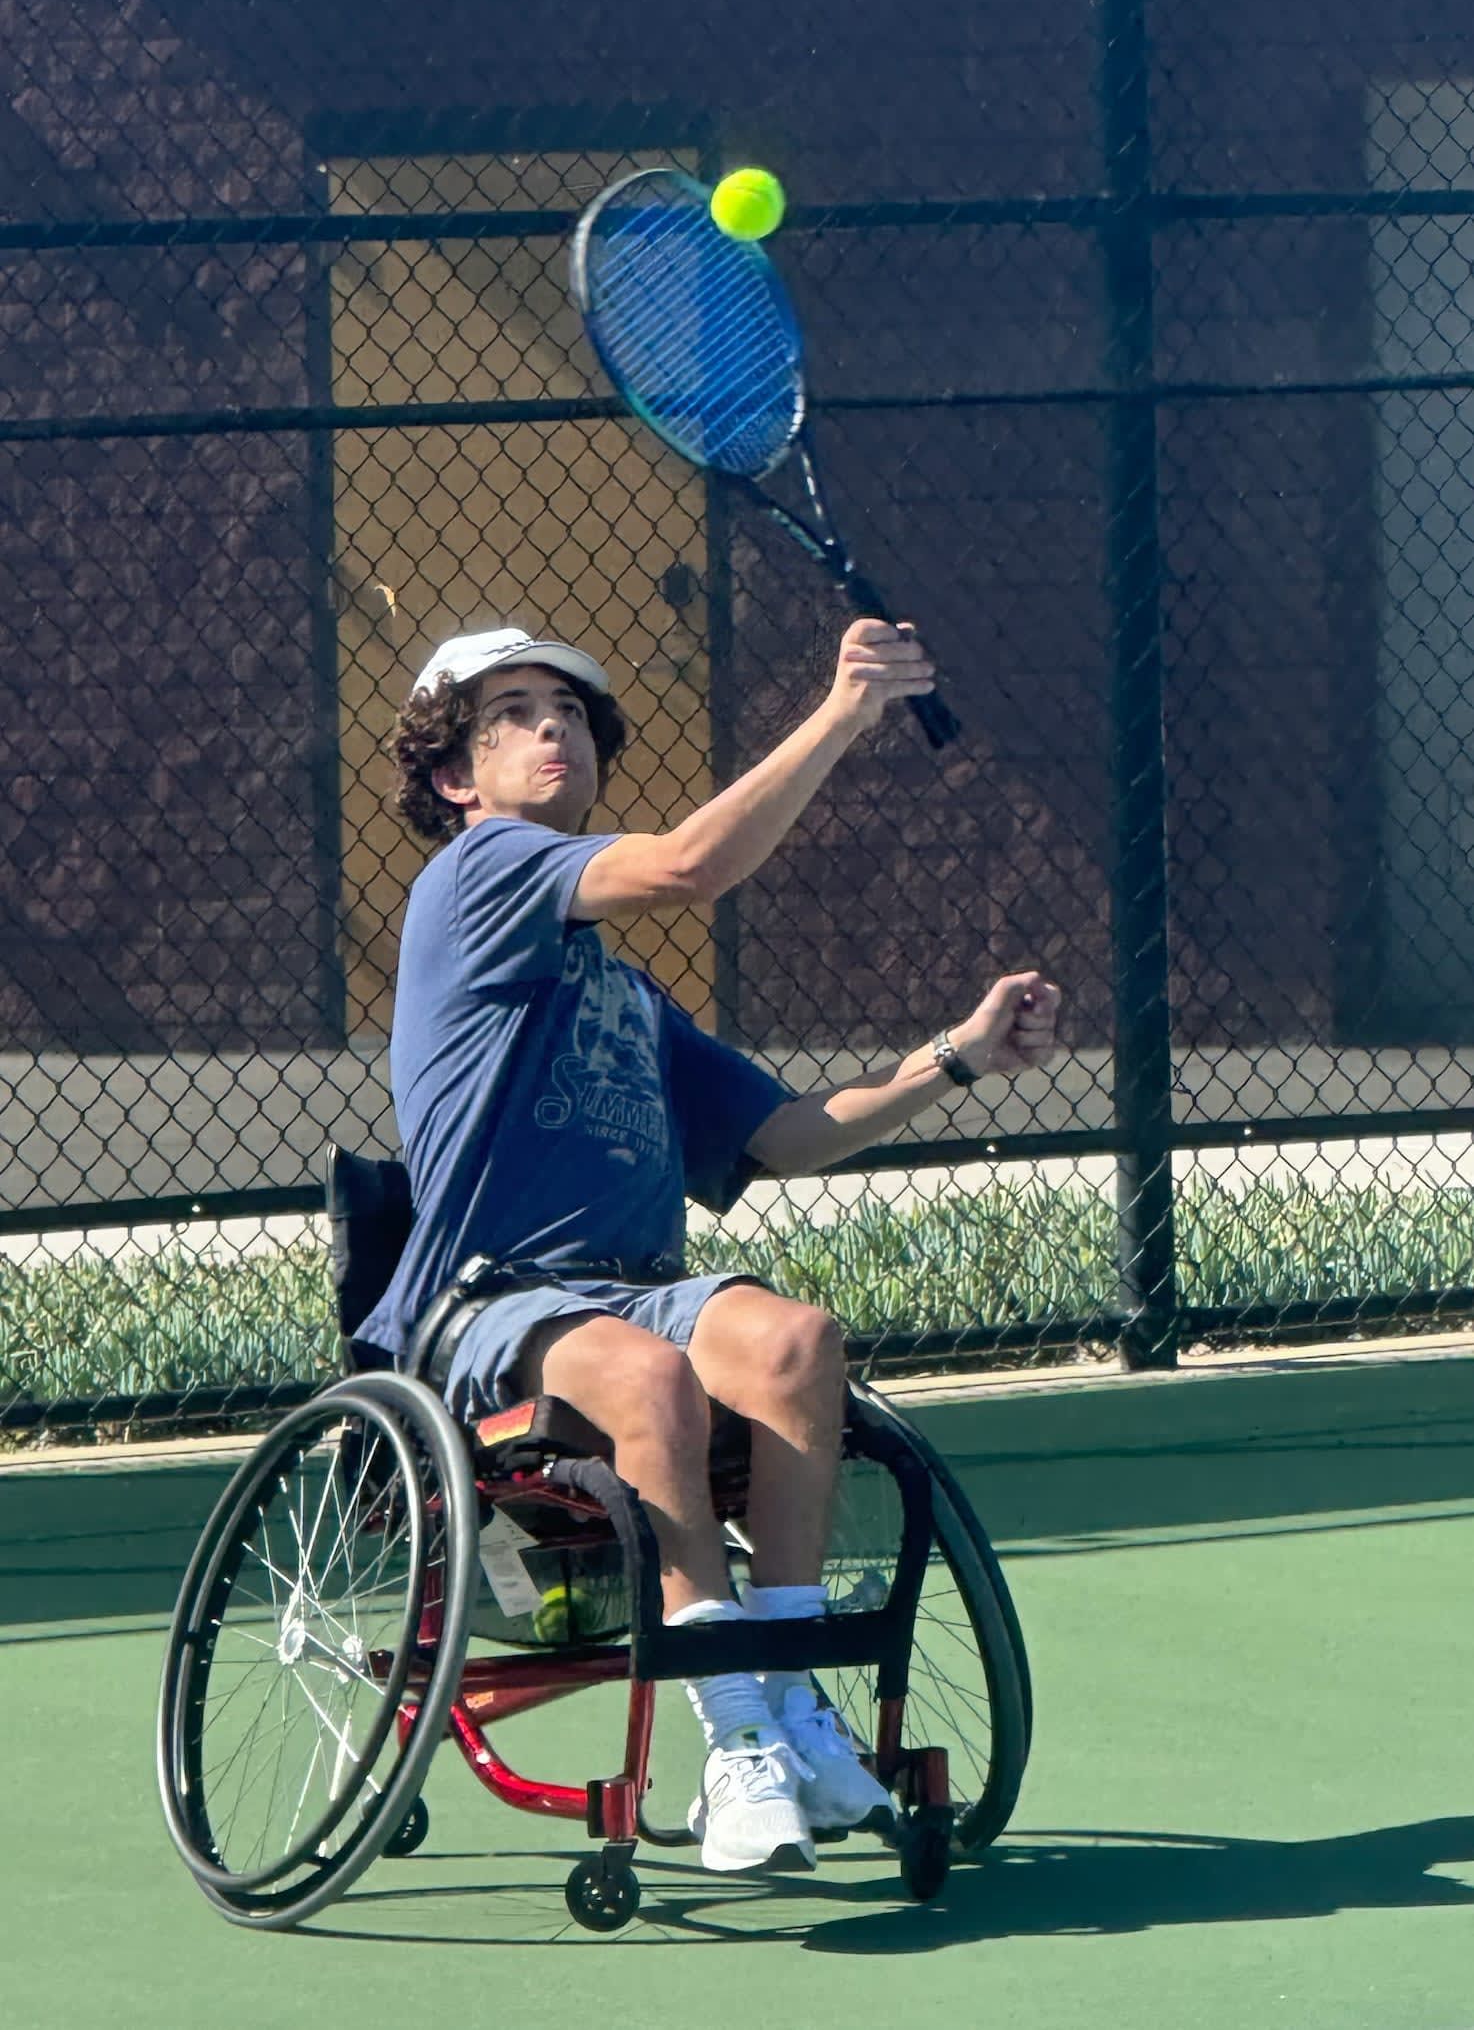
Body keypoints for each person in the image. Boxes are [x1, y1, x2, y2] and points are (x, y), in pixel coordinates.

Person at [360, 618, 1061, 1874]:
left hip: (638, 1292)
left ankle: (790, 1701)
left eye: (568, 711)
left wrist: (955, 1056)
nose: (552, 726)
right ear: (456, 776)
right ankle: (734, 1730)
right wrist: (844, 711)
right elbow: (689, 864)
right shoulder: (477, 874)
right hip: (492, 1304)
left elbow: (785, 1135)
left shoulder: (628, 996)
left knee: (796, 1341)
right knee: (650, 1378)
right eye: (511, 713)